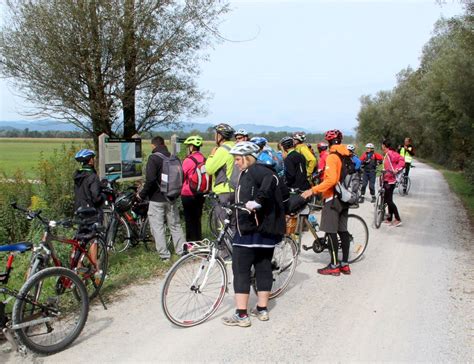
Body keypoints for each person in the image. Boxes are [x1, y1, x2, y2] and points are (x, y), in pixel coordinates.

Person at [222, 142, 286, 327]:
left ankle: (241, 315)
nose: (235, 163)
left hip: (250, 230)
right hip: (267, 231)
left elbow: (268, 185)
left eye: (237, 159)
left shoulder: (257, 171)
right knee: (263, 268)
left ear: (248, 157)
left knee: (241, 270)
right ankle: (262, 309)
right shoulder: (258, 171)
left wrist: (257, 202)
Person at [301, 129, 352, 276]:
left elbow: (331, 180)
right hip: (344, 198)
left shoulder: (332, 157)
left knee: (330, 232)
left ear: (329, 142)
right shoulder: (346, 155)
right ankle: (345, 264)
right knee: (343, 231)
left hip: (333, 198)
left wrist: (313, 190)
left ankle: (334, 265)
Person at [139, 136, 184, 260]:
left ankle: (164, 256)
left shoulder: (153, 158)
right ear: (164, 144)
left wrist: (142, 194)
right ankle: (181, 251)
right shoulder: (174, 158)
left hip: (156, 199)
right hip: (172, 197)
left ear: (153, 146)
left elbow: (151, 180)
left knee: (158, 227)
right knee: (175, 225)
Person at [205, 123, 236, 224]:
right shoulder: (235, 147)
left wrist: (211, 155)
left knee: (222, 224)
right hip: (235, 190)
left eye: (216, 134)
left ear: (220, 136)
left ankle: (224, 240)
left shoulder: (223, 150)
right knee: (233, 223)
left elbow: (209, 169)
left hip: (223, 191)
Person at [181, 135, 206, 241]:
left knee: (189, 220)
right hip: (201, 192)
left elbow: (181, 175)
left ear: (191, 147)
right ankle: (198, 241)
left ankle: (191, 244)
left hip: (188, 193)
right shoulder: (204, 158)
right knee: (197, 219)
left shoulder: (188, 160)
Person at [381, 139, 405, 227]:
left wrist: (397, 169)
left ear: (384, 146)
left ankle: (398, 219)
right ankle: (389, 218)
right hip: (386, 178)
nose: (381, 147)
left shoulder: (391, 153)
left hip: (390, 180)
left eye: (382, 145)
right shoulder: (386, 154)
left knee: (388, 200)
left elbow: (402, 160)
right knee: (387, 199)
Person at [73, 149, 104, 216]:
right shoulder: (92, 176)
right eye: (93, 158)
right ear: (90, 161)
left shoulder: (78, 175)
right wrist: (103, 197)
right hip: (90, 211)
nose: (94, 160)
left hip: (79, 209)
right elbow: (96, 198)